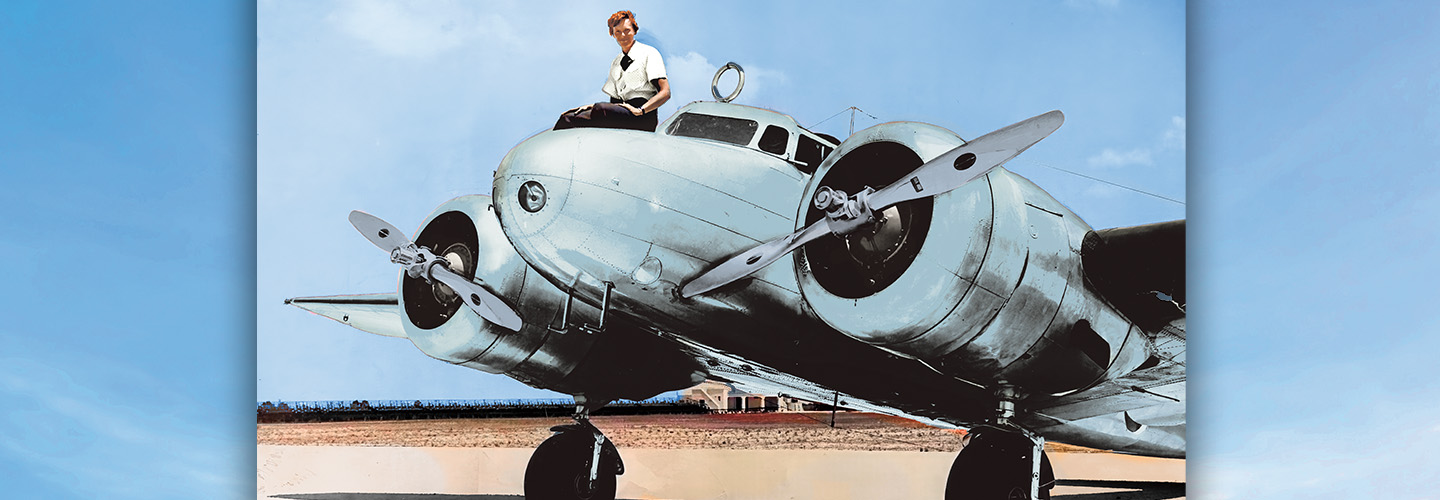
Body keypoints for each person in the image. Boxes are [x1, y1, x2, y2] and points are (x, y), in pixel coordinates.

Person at [554, 10, 670, 131]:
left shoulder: (649, 53)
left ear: (635, 31)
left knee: (600, 109)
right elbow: (614, 103)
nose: (623, 36)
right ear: (613, 34)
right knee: (567, 117)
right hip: (620, 112)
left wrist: (641, 110)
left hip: (642, 116)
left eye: (627, 30)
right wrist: (590, 108)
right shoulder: (616, 62)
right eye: (618, 32)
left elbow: (665, 92)